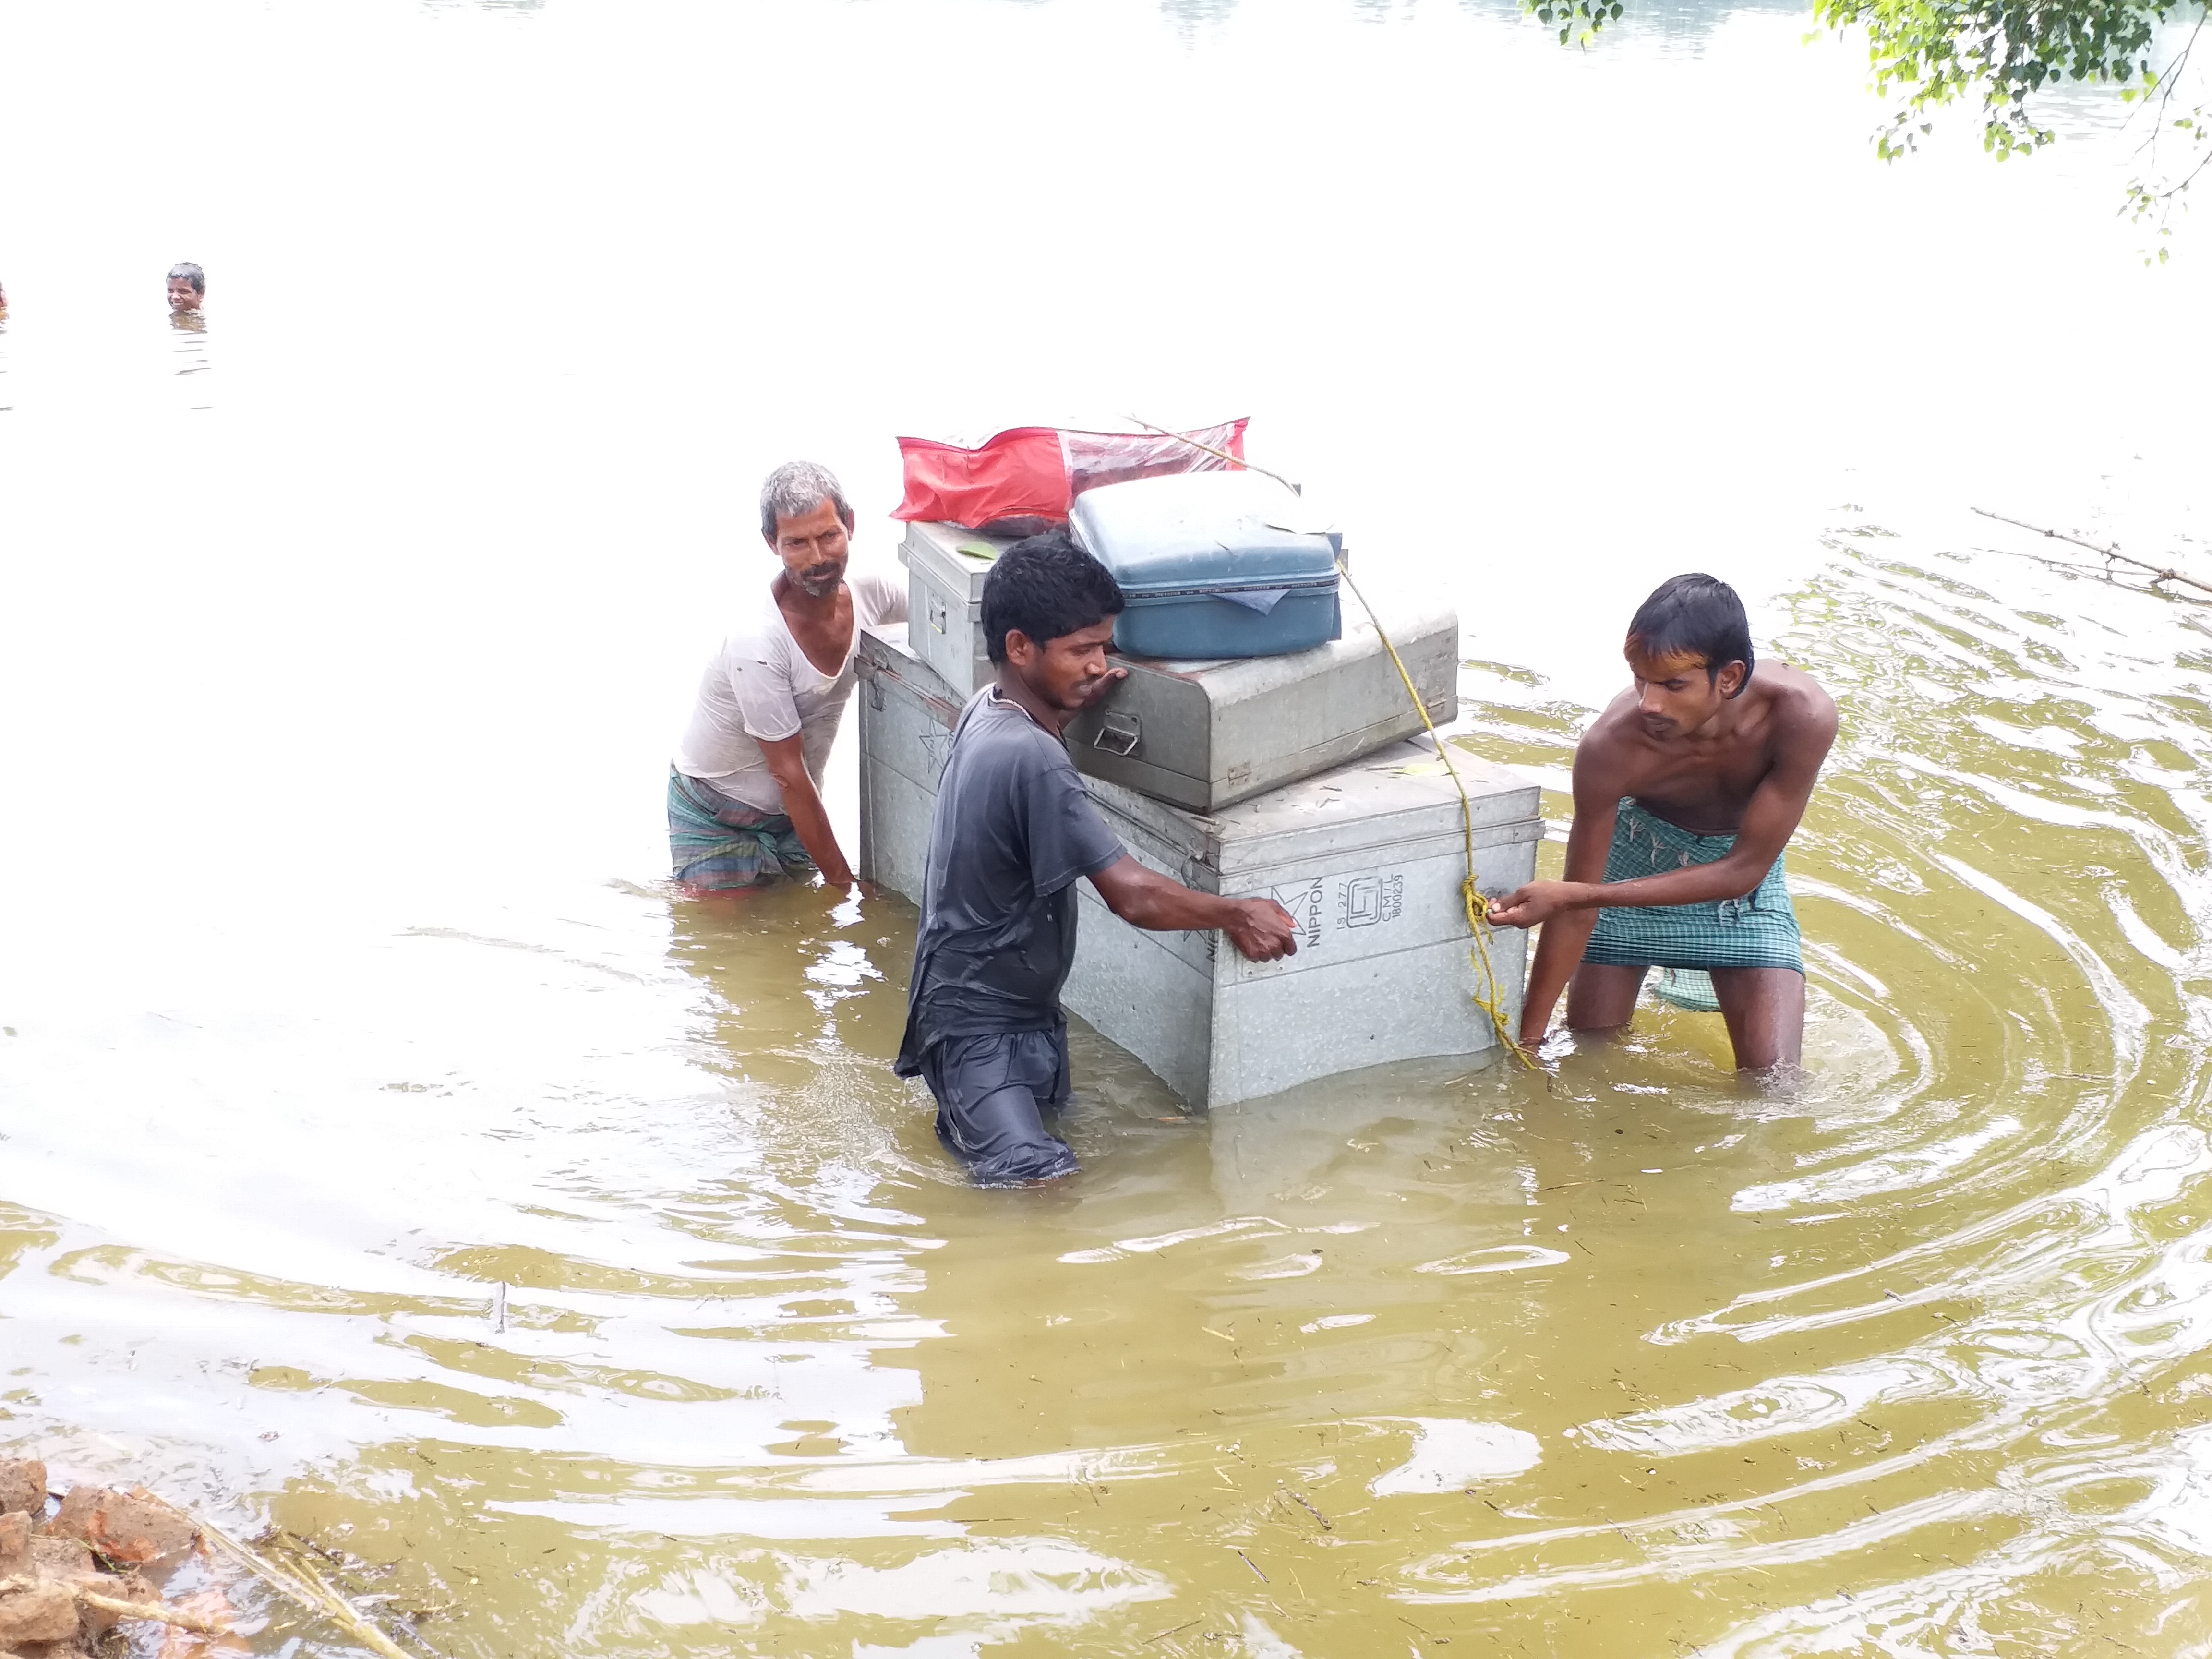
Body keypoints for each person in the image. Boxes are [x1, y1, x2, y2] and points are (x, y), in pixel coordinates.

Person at [893, 529, 1299, 1184]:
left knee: (1037, 1163)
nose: (1097, 663)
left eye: (1104, 646)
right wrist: (1236, 913)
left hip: (999, 1011)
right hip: (980, 1027)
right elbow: (1132, 895)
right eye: (1081, 649)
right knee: (1039, 1188)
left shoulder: (990, 709)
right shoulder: (1032, 757)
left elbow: (1034, 764)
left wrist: (1075, 711)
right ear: (1021, 647)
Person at [1487, 574, 1838, 1072]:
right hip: (1633, 856)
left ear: (1730, 677)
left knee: (1774, 1084)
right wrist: (1528, 1042)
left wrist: (1579, 895)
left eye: (1674, 685)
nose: (1650, 704)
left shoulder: (1802, 718)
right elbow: (1575, 904)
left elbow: (1746, 869)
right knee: (1589, 1057)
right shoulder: (1611, 746)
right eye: (1641, 680)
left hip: (1739, 890)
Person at [669, 461, 907, 891]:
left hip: (793, 811)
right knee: (727, 950)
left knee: (797, 943)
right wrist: (844, 885)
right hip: (717, 811)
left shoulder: (875, 593)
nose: (818, 559)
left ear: (850, 525)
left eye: (828, 536)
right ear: (771, 544)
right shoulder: (757, 644)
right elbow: (789, 774)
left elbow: (947, 626)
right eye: (797, 543)